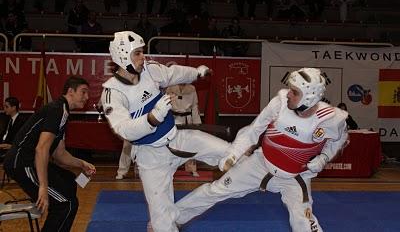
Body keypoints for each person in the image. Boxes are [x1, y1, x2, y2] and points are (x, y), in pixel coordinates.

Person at [176, 68, 349, 232]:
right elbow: (254, 130)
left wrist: (324, 157)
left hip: (294, 177)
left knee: (303, 221)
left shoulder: (331, 119)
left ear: (310, 98)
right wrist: (233, 155)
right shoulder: (280, 103)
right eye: (290, 89)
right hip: (260, 163)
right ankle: (172, 218)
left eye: (295, 92)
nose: (288, 93)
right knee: (216, 190)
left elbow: (340, 139)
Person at [100, 31, 230, 232]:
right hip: (150, 158)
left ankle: (265, 173)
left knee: (231, 152)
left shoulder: (150, 70)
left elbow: (173, 73)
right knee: (162, 224)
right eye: (138, 53)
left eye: (142, 52)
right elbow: (124, 130)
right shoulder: (113, 92)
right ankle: (165, 218)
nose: (143, 57)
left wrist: (196, 73)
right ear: (122, 55)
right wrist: (151, 118)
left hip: (177, 138)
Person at [3, 76, 96, 232]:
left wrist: (82, 164)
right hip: (22, 164)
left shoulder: (63, 112)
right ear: (70, 91)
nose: (87, 97)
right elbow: (41, 149)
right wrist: (43, 188)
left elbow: (60, 155)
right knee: (66, 204)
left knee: (69, 181)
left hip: (30, 162)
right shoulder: (57, 109)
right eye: (83, 92)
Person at [166, 83, 202, 177]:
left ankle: (191, 169)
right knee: (173, 145)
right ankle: (169, 168)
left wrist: (196, 122)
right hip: (174, 119)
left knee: (189, 144)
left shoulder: (192, 88)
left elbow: (194, 106)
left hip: (187, 119)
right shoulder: (170, 87)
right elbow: (166, 104)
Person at [0, 96, 25, 161]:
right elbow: (3, 134)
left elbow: (22, 139)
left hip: (12, 149)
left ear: (13, 108)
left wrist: (11, 146)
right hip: (3, 146)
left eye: (6, 107)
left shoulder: (22, 121)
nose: (4, 109)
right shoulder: (7, 119)